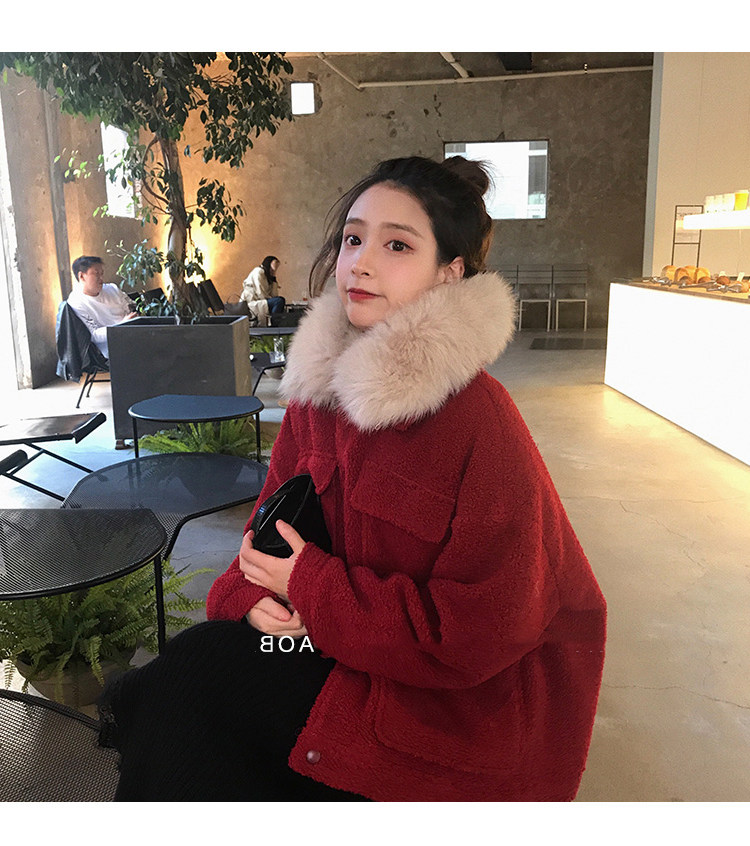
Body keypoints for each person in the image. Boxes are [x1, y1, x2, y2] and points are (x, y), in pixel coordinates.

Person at [97, 156, 606, 802]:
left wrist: (311, 586)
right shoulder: (318, 399)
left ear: (449, 273)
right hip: (326, 651)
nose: (360, 262)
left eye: (397, 245)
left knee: (195, 701)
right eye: (353, 238)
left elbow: (487, 631)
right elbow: (262, 539)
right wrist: (247, 597)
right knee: (186, 679)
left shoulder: (480, 421)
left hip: (443, 702)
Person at [66, 255, 136, 358]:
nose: (101, 278)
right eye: (96, 274)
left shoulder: (112, 289)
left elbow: (131, 308)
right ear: (81, 276)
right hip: (113, 350)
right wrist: (122, 325)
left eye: (102, 273)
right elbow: (93, 335)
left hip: (135, 336)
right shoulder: (76, 301)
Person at [239, 255, 286, 324]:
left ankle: (275, 322)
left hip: (261, 300)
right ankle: (273, 323)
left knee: (280, 300)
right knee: (279, 301)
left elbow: (274, 295)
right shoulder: (258, 271)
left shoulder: (268, 277)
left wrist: (273, 278)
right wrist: (270, 300)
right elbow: (260, 292)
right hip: (252, 301)